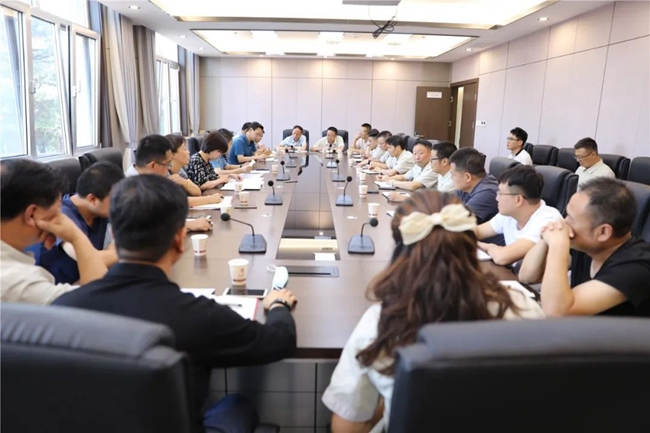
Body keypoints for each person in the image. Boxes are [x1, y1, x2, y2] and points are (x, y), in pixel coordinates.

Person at [53, 175, 299, 432]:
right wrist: (278, 304)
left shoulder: (63, 309)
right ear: (180, 240)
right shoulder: (198, 315)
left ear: (114, 234)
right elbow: (280, 341)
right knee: (238, 404)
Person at [322, 190, 543, 432]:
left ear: (400, 250)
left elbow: (347, 426)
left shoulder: (383, 322)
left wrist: (389, 401)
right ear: (470, 245)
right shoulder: (521, 306)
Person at [520, 178, 650, 317]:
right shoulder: (588, 242)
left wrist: (558, 245)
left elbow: (556, 311)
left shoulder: (637, 266)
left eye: (571, 219)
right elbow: (527, 276)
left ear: (603, 232)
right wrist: (546, 238)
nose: (564, 223)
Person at [1, 159, 107, 305]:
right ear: (32, 214)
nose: (62, 216)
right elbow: (99, 300)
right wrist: (76, 237)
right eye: (58, 209)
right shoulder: (22, 284)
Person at [34, 161, 124, 284]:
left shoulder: (100, 210)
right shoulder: (62, 215)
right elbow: (94, 260)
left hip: (85, 281)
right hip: (56, 288)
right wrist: (128, 252)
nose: (120, 204)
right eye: (116, 199)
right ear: (92, 199)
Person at [474, 165, 562, 267]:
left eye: (501, 194)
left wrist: (486, 246)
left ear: (518, 200)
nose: (496, 198)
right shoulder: (508, 214)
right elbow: (477, 232)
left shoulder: (548, 221)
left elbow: (502, 257)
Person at [128, 134, 214, 232]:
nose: (169, 168)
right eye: (168, 164)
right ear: (153, 165)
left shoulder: (149, 178)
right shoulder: (132, 189)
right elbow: (147, 227)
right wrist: (187, 225)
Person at [449, 147, 499, 224]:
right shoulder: (464, 186)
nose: (451, 178)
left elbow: (459, 223)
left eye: (453, 175)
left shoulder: (486, 193)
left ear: (467, 177)